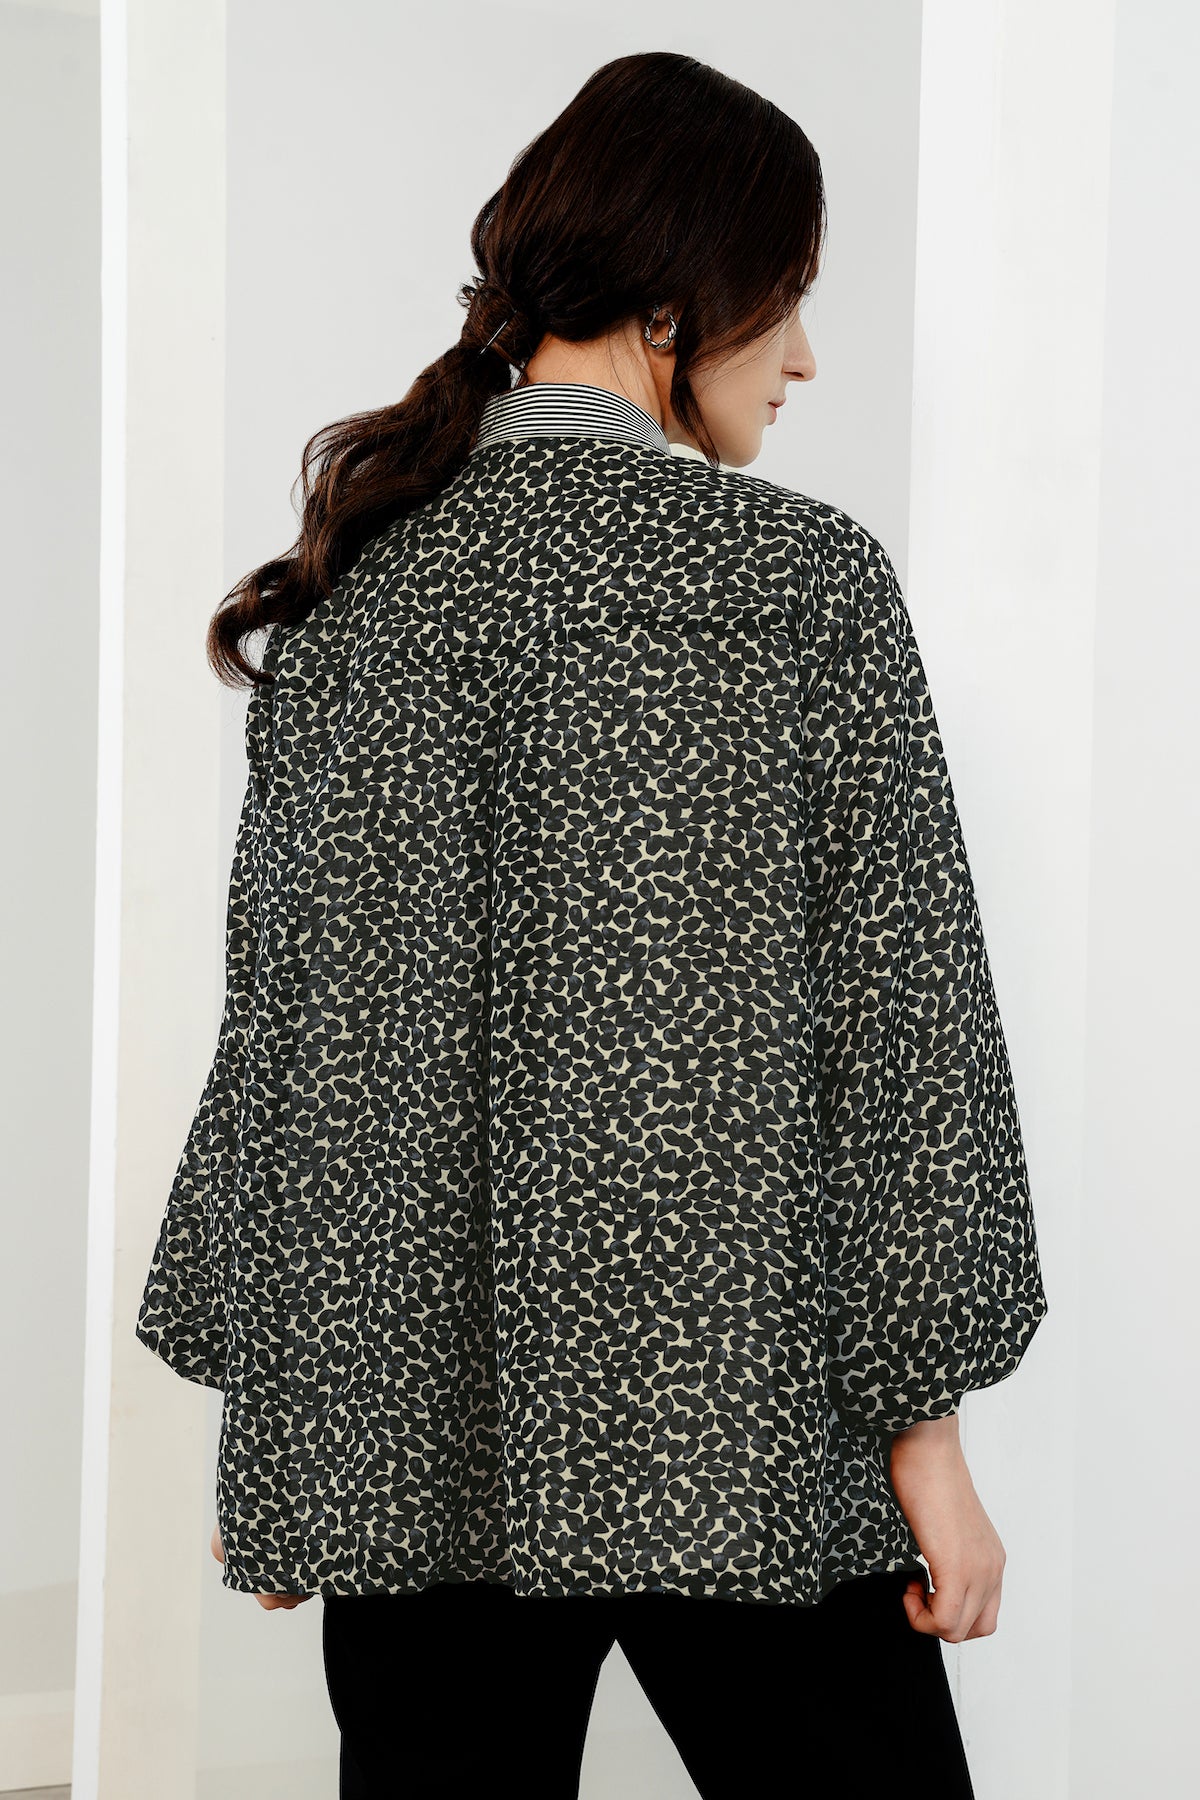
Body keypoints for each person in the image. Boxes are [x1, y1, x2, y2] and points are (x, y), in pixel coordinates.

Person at [138, 50, 1049, 1799]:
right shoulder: (799, 584)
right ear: (671, 305)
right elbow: (907, 1032)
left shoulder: (363, 597)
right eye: (785, 298)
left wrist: (290, 1425)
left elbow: (289, 1044)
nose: (803, 357)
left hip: (416, 1449)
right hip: (742, 1429)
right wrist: (928, 1440)